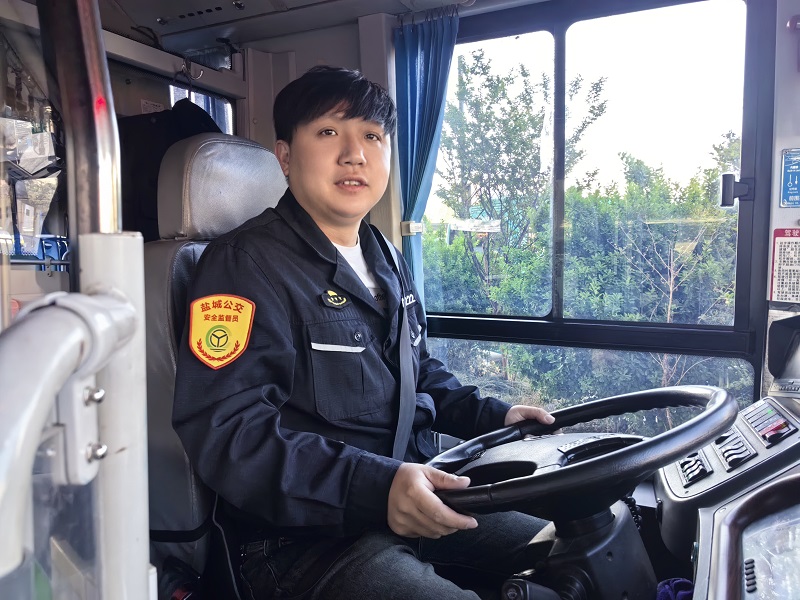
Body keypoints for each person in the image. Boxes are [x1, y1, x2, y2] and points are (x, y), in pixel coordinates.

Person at [173, 65, 554, 600]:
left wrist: (495, 416)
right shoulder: (243, 266)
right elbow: (229, 434)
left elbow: (417, 373)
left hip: (414, 493)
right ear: (285, 156)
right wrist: (377, 485)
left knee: (569, 547)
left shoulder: (386, 257)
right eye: (329, 132)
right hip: (303, 541)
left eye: (372, 136)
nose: (355, 154)